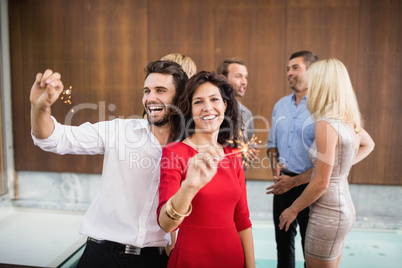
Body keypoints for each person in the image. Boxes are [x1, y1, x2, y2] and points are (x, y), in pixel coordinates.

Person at [30, 60, 188, 267]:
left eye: (160, 90)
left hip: (155, 260)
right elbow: (55, 139)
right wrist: (40, 107)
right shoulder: (119, 131)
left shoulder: (188, 147)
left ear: (179, 98)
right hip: (102, 256)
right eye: (147, 91)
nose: (150, 98)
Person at [279, 58, 375, 268]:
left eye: (313, 80)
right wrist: (342, 169)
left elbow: (321, 182)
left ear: (323, 84)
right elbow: (369, 144)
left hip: (328, 213)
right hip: (343, 208)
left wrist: (293, 209)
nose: (309, 85)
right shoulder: (347, 118)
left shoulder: (325, 122)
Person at [157, 71, 255, 268]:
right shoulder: (173, 153)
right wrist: (189, 187)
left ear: (225, 105)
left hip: (233, 259)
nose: (207, 108)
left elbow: (242, 219)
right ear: (190, 110)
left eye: (214, 99)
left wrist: (251, 266)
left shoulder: (233, 155)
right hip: (191, 260)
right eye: (198, 102)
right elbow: (166, 224)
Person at [266, 50, 318, 268]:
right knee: (283, 243)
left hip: (311, 186)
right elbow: (272, 146)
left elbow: (325, 163)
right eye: (287, 68)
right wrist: (275, 170)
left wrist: (294, 182)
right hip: (282, 185)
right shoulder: (280, 105)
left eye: (295, 67)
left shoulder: (321, 107)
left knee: (311, 248)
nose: (289, 73)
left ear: (311, 71)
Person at [217, 58, 257, 166]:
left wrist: (251, 152)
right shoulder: (212, 111)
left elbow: (250, 145)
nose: (244, 82)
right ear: (223, 79)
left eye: (246, 77)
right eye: (238, 76)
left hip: (239, 177)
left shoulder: (247, 114)